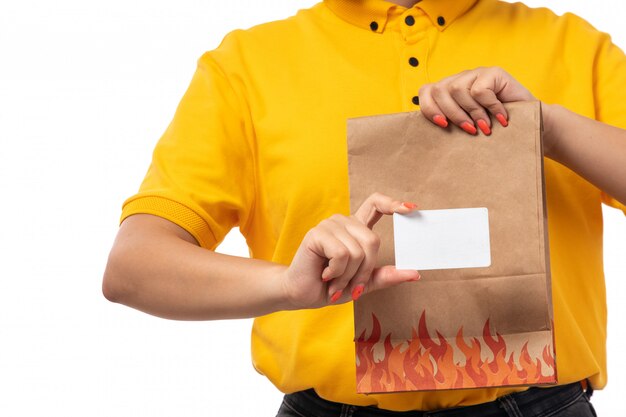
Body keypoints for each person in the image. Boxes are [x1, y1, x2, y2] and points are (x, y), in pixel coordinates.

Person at [102, 0, 626, 415]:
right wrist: (287, 283)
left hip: (542, 405)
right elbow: (133, 268)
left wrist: (549, 126)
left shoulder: (575, 46)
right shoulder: (246, 66)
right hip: (329, 410)